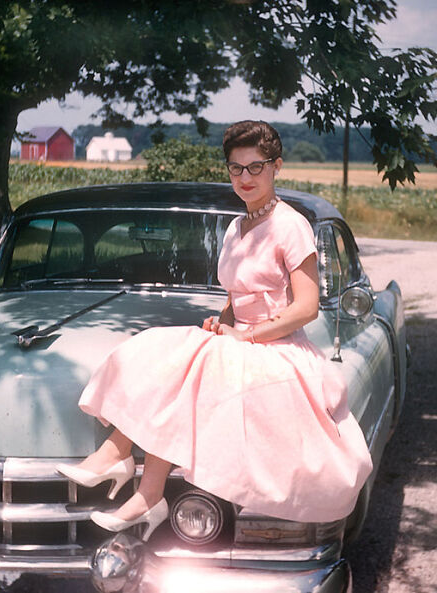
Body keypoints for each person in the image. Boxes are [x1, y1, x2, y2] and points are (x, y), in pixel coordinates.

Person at [56, 121, 372, 541]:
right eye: (235, 169)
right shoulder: (234, 228)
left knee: (187, 363)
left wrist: (248, 335)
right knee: (156, 350)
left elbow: (306, 307)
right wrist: (224, 321)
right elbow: (235, 296)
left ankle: (122, 462)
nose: (244, 178)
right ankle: (144, 488)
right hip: (239, 339)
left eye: (255, 168)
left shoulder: (291, 225)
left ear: (276, 167)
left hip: (276, 347)